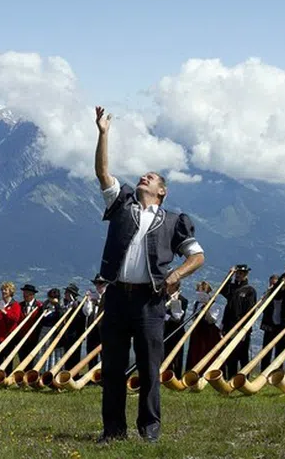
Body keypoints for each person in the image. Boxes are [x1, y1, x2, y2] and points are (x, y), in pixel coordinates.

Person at [94, 105, 205, 444]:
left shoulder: (174, 220)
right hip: (115, 296)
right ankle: (113, 431)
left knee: (148, 369)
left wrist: (177, 276)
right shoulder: (122, 203)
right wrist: (103, 133)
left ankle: (150, 431)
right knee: (112, 368)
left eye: (153, 177)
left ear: (163, 191)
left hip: (148, 302)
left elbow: (198, 256)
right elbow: (102, 173)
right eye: (144, 175)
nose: (145, 177)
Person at [220, 265, 257, 376]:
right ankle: (231, 377)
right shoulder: (231, 287)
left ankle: (244, 377)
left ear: (246, 275)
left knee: (243, 354)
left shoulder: (250, 290)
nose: (239, 275)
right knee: (230, 353)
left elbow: (250, 310)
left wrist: (244, 327)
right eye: (238, 273)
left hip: (242, 326)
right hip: (229, 324)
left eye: (241, 273)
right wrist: (229, 275)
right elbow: (222, 289)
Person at [185, 281, 221, 370]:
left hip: (209, 331)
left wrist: (207, 310)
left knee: (206, 350)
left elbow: (212, 320)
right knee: (195, 351)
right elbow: (194, 317)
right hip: (198, 329)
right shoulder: (196, 303)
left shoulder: (214, 305)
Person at [0, 282, 22, 368]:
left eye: (6, 290)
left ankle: (7, 378)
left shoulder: (15, 305)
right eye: (2, 290)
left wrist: (4, 311)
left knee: (8, 361)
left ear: (10, 292)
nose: (3, 292)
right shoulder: (0, 303)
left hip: (8, 337)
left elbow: (15, 319)